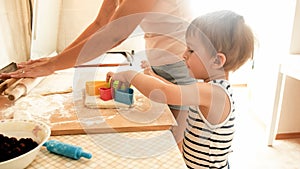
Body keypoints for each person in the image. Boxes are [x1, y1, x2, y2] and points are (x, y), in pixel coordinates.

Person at [0, 0, 195, 146]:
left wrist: (54, 65)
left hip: (181, 64)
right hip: (158, 60)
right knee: (162, 136)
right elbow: (100, 23)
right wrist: (56, 60)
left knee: (173, 141)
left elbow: (115, 35)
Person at [106, 10, 255, 168]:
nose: (184, 54)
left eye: (191, 50)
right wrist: (151, 75)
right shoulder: (211, 89)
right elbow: (174, 89)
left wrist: (130, 75)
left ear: (217, 60)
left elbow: (166, 92)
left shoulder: (213, 93)